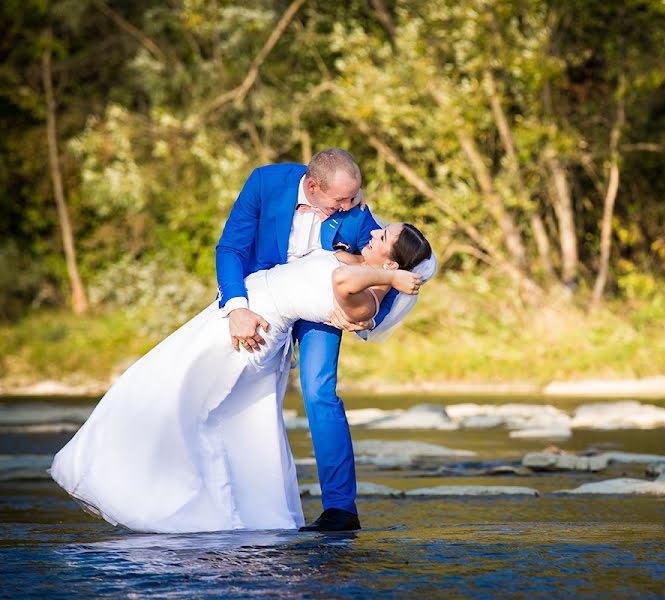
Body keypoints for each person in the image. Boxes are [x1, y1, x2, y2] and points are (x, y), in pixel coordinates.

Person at [49, 223, 433, 534]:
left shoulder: (366, 298)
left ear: (391, 267)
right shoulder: (356, 255)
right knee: (158, 387)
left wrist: (392, 280)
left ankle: (160, 500)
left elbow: (340, 283)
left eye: (382, 237)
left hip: (252, 334)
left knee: (184, 405)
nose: (372, 232)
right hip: (234, 314)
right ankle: (209, 506)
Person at [215, 148, 396, 532]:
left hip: (322, 305)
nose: (352, 206)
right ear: (312, 186)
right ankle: (232, 500)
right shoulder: (266, 183)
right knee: (235, 393)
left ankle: (341, 510)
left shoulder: (354, 208)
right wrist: (236, 308)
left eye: (355, 195)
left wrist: (367, 313)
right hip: (262, 301)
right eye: (342, 200)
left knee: (320, 392)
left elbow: (395, 262)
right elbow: (231, 247)